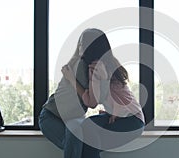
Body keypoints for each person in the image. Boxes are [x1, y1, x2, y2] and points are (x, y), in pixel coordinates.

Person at [61, 28, 145, 158]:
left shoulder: (97, 67)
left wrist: (72, 79)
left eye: (82, 43)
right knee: (87, 131)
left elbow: (92, 102)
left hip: (131, 119)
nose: (79, 47)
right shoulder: (109, 62)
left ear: (91, 46)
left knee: (88, 130)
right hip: (126, 116)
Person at [38, 29, 100, 158]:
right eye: (80, 43)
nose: (81, 47)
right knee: (79, 145)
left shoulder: (93, 67)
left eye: (85, 43)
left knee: (80, 142)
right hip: (51, 116)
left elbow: (93, 100)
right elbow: (92, 101)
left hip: (73, 118)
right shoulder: (80, 65)